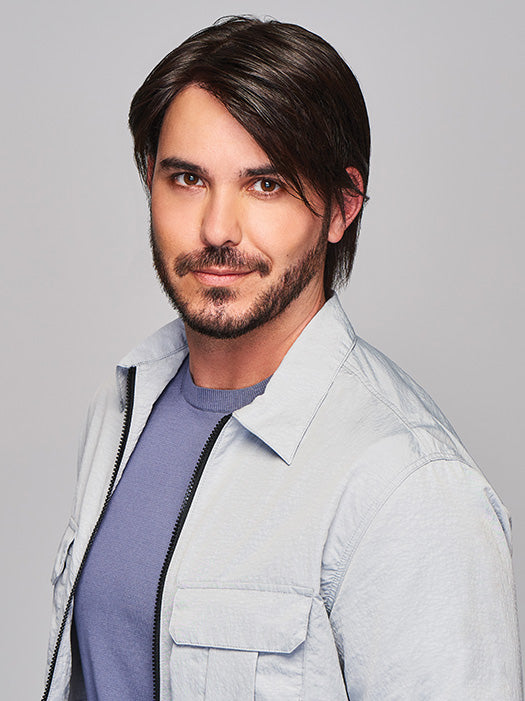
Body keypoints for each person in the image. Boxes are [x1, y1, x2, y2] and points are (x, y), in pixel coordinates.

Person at [42, 15, 523, 701]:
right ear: (150, 182)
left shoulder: (408, 485)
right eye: (187, 179)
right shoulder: (124, 404)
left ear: (342, 206)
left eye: (265, 184)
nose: (217, 229)